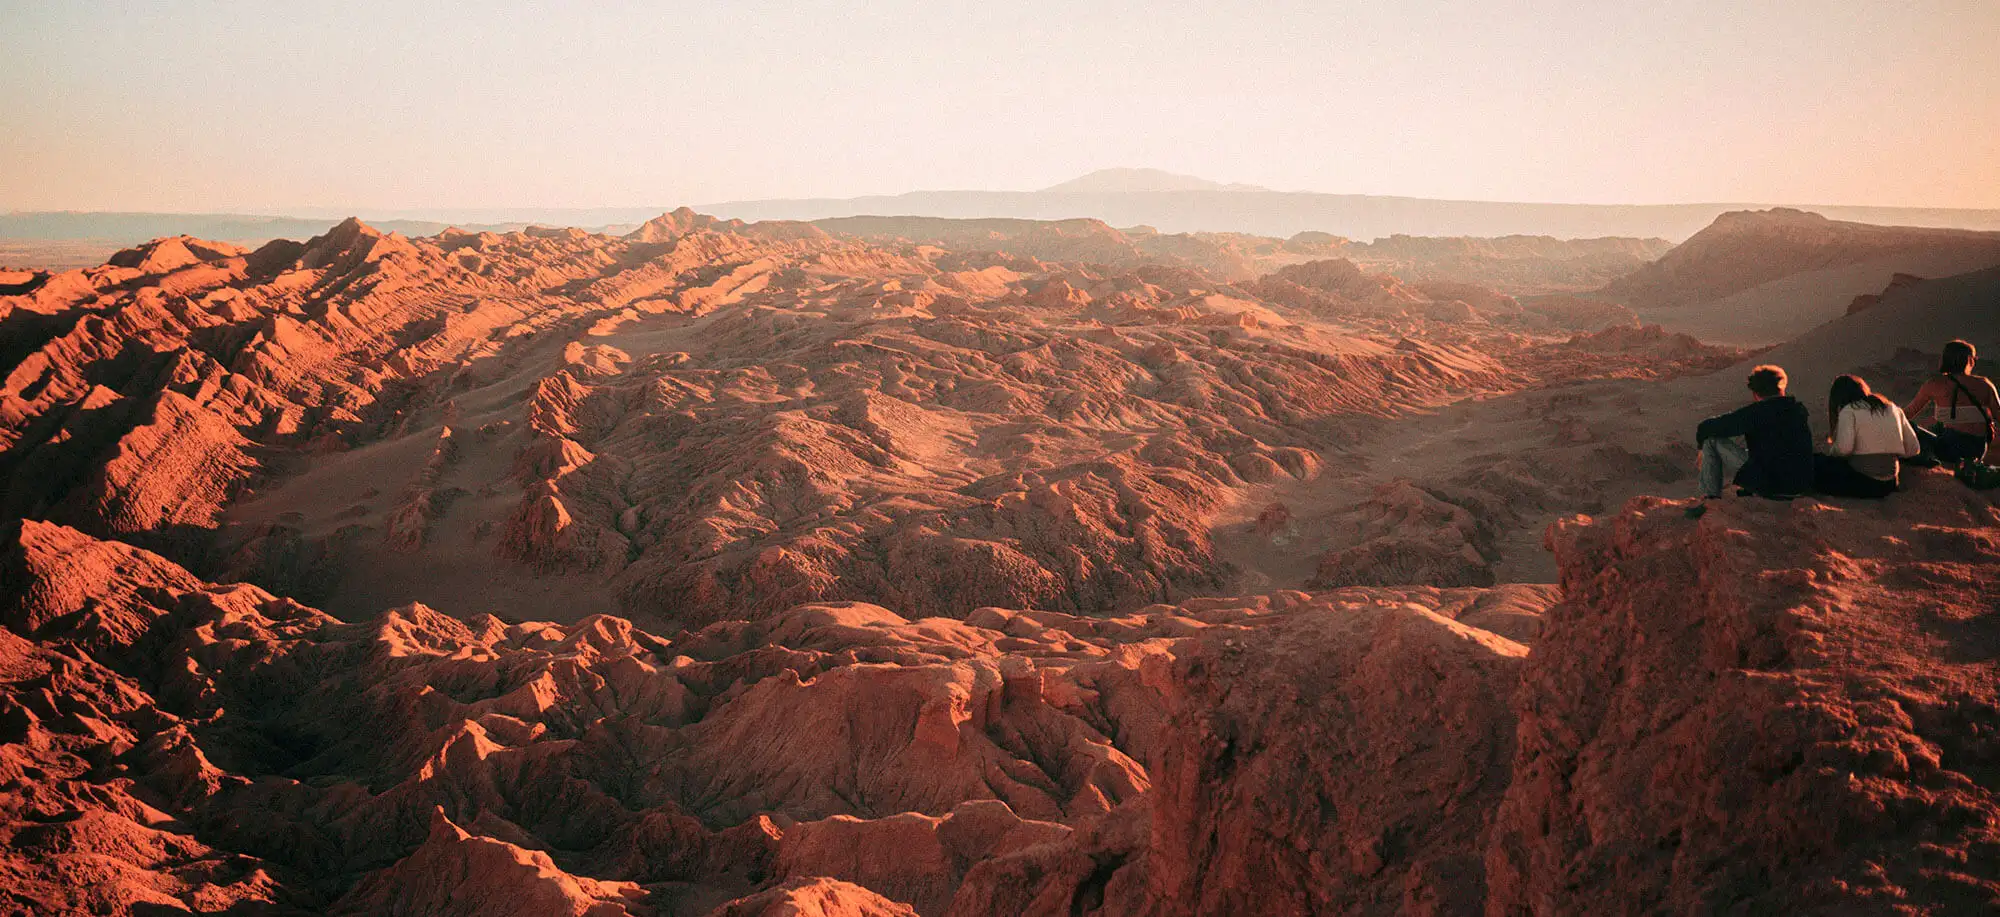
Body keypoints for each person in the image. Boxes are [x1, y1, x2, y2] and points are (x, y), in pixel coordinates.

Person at [1689, 365, 1814, 516]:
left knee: (1711, 441)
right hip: (1800, 484)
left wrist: (1700, 448)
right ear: (1781, 388)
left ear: (1755, 393)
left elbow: (1707, 427)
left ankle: (1710, 500)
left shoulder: (1757, 412)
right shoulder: (1797, 409)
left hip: (1771, 484)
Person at [1813, 374, 1921, 498]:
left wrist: (1833, 453)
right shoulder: (1892, 408)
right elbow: (1914, 449)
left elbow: (1844, 449)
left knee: (1816, 461)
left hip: (1865, 482)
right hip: (1891, 483)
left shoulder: (1849, 410)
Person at [1905, 340, 1999, 466]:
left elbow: (1909, 413)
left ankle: (1925, 461)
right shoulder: (1985, 384)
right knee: (1938, 428)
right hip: (1978, 450)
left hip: (1949, 449)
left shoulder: (1934, 384)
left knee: (1911, 426)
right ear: (1969, 360)